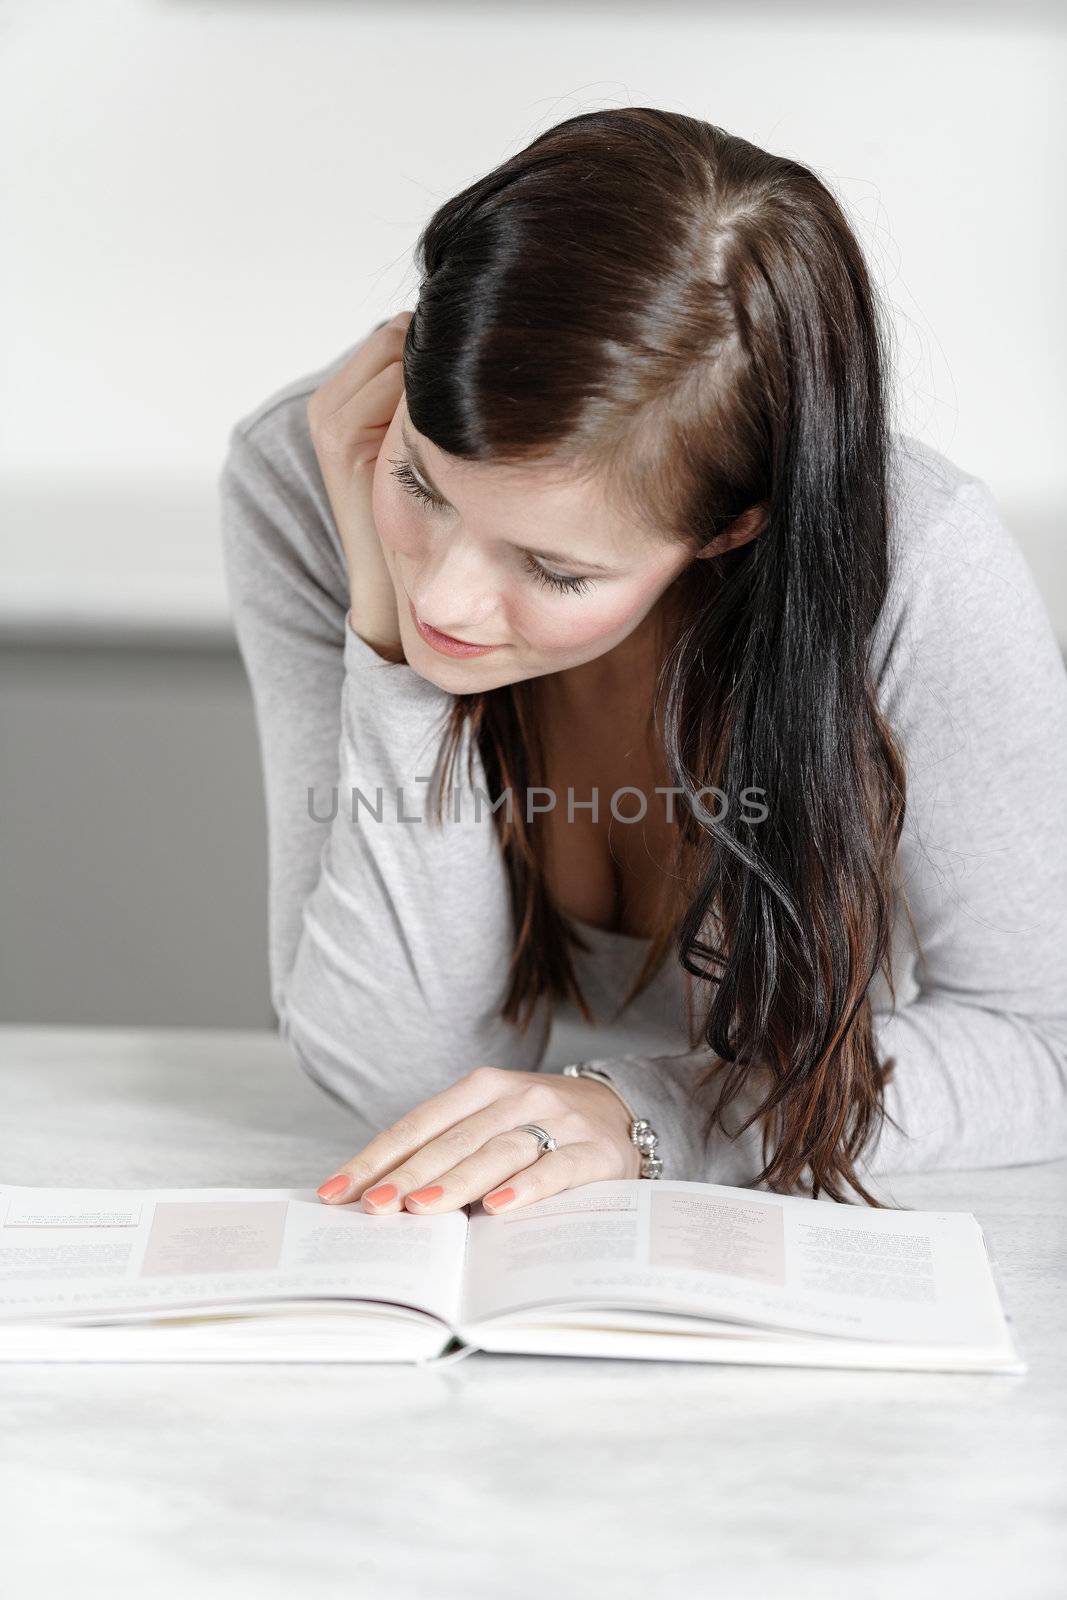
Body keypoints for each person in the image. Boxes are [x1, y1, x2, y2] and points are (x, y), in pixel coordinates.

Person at [219, 107, 1067, 1217]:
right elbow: (400, 1073)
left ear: (729, 528)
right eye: (421, 487)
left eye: (554, 569)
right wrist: (388, 648)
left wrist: (643, 1115)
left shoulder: (914, 565)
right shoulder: (315, 470)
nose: (443, 596)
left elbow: (1042, 1044)